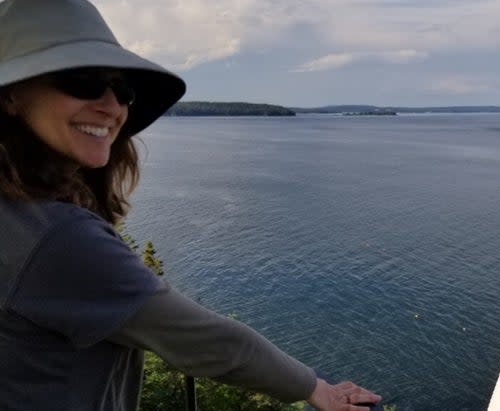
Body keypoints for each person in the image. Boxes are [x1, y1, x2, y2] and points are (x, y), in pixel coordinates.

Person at [0, 1, 382, 410]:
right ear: (10, 96)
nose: (111, 107)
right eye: (83, 80)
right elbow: (201, 338)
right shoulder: (57, 237)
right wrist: (316, 388)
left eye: (123, 90)